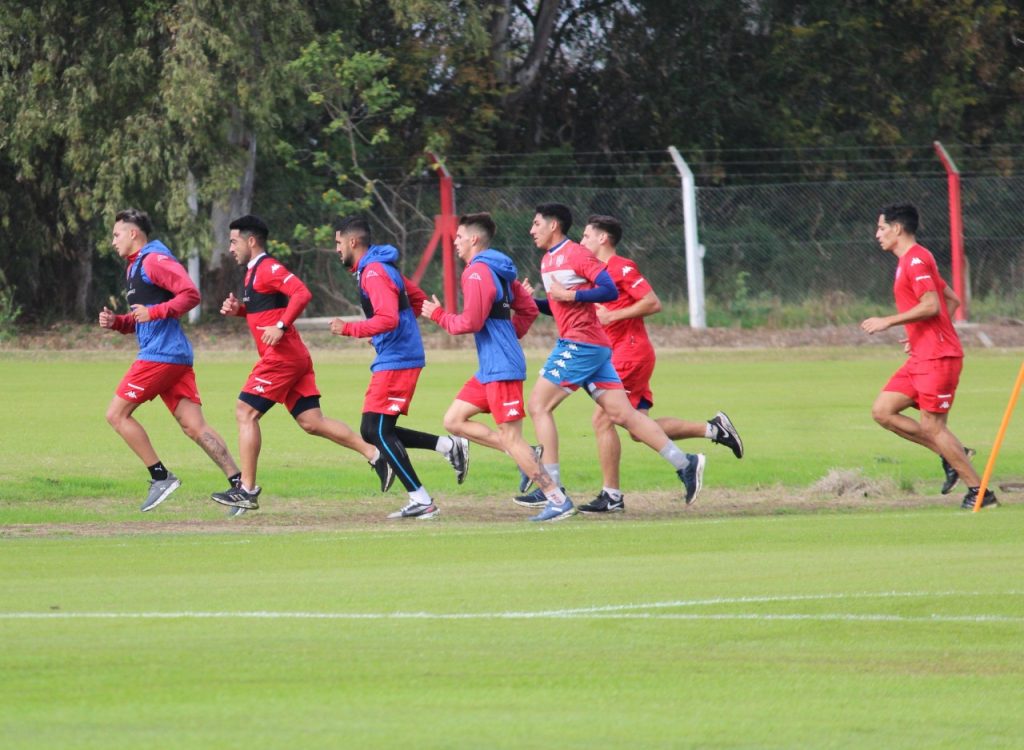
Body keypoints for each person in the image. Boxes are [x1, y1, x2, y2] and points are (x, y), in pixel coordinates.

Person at [515, 203, 706, 522]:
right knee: (622, 414)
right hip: (595, 346)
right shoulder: (548, 260)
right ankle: (685, 463)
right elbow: (557, 305)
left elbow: (606, 289)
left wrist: (572, 297)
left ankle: (554, 493)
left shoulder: (575, 254)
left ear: (554, 226)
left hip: (581, 343)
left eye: (536, 223)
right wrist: (523, 301)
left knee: (538, 407)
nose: (531, 230)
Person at [211, 214, 395, 515]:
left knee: (245, 412)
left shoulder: (268, 267)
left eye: (233, 241)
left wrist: (282, 326)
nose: (231, 248)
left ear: (251, 240)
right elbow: (265, 312)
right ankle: (376, 456)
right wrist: (240, 311)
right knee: (312, 422)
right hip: (293, 357)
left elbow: (302, 293)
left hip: (281, 358)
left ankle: (246, 490)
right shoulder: (252, 273)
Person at [569, 214, 744, 514]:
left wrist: (614, 316)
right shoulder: (596, 273)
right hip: (619, 354)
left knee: (602, 420)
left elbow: (652, 302)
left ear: (603, 238)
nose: (581, 241)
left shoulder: (621, 267)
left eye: (586, 236)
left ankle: (612, 495)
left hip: (630, 353)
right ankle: (714, 429)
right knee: (639, 429)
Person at [420, 212, 566, 512]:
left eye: (459, 237)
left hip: (501, 367)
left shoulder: (475, 273)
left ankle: (557, 500)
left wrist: (437, 315)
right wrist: (508, 337)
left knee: (511, 437)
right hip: (491, 366)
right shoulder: (500, 270)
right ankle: (528, 454)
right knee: (454, 421)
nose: (455, 243)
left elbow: (470, 322)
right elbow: (527, 311)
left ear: (474, 239)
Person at [99, 208, 241, 512]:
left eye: (116, 234)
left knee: (116, 415)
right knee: (194, 426)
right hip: (171, 355)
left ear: (133, 233)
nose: (113, 241)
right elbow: (144, 317)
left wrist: (154, 312)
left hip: (160, 356)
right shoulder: (134, 267)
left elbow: (190, 294)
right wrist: (119, 322)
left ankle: (160, 476)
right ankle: (241, 487)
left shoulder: (154, 260)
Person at [860, 202, 996, 510]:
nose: (877, 234)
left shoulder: (917, 260)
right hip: (922, 354)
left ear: (897, 229)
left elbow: (933, 304)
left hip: (938, 357)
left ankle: (981, 493)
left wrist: (888, 321)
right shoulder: (908, 260)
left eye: (881, 228)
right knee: (883, 410)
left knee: (933, 426)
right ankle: (953, 452)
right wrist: (920, 334)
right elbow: (952, 299)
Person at [331, 216, 469, 520]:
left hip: (399, 358)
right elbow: (415, 298)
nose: (336, 249)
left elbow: (389, 318)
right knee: (378, 430)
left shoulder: (374, 272)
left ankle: (422, 499)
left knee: (375, 430)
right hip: (395, 354)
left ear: (353, 242)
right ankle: (449, 447)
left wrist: (351, 329)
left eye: (338, 243)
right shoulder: (378, 268)